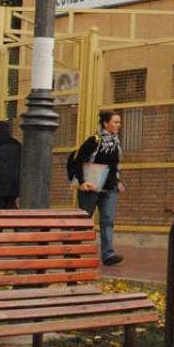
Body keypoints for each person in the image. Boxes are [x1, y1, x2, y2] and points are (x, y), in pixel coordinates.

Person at [69, 110, 126, 266]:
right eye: (115, 122)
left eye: (119, 122)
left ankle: (108, 254)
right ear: (105, 123)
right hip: (91, 187)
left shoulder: (116, 143)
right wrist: (82, 182)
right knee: (84, 220)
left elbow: (115, 165)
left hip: (109, 188)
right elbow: (78, 162)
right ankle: (74, 251)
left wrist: (118, 181)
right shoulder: (93, 141)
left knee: (108, 220)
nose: (118, 125)